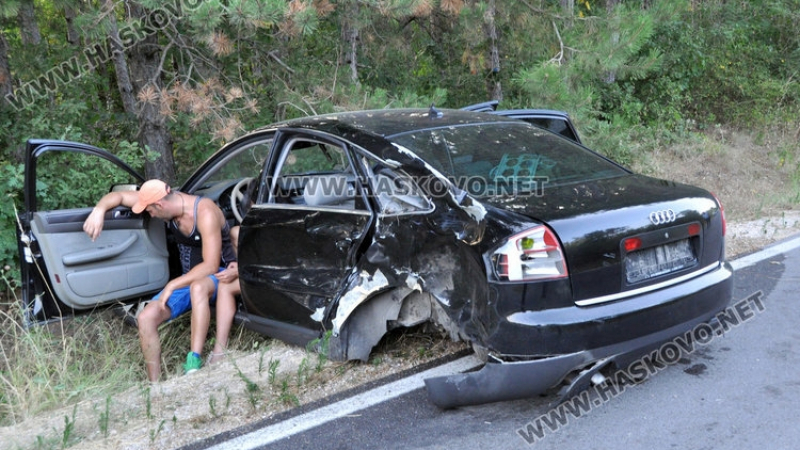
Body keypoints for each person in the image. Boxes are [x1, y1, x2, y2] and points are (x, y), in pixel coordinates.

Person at [83, 179, 237, 381]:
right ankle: (155, 386)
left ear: (160, 204)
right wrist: (99, 211)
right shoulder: (162, 204)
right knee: (145, 318)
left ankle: (194, 361)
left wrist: (172, 284)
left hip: (218, 275)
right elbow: (118, 196)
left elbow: (210, 265)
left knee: (198, 287)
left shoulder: (205, 212)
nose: (150, 215)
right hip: (188, 280)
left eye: (150, 211)